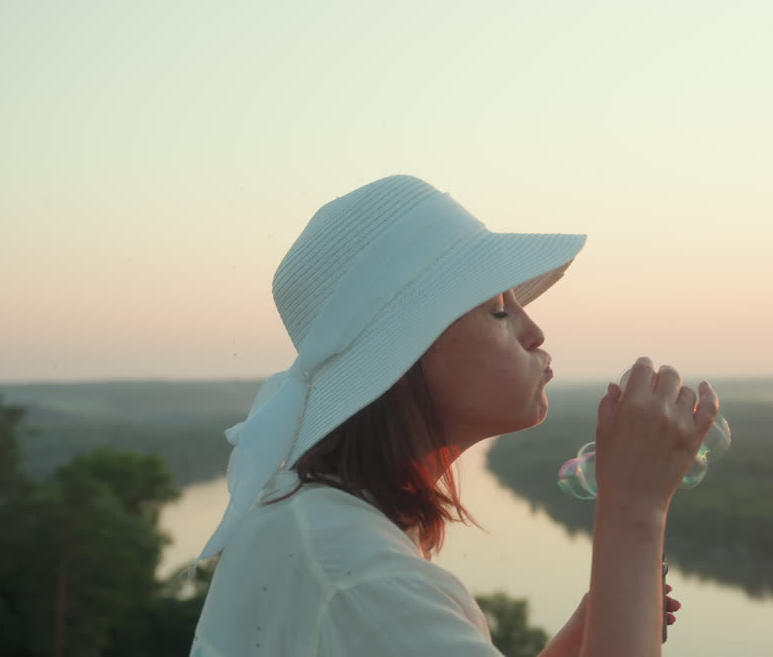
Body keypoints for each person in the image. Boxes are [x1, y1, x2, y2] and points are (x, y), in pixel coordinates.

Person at [189, 174, 719, 656]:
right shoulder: (362, 579)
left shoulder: (326, 533)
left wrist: (600, 620)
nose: (534, 332)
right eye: (498, 310)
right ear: (405, 355)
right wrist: (634, 511)